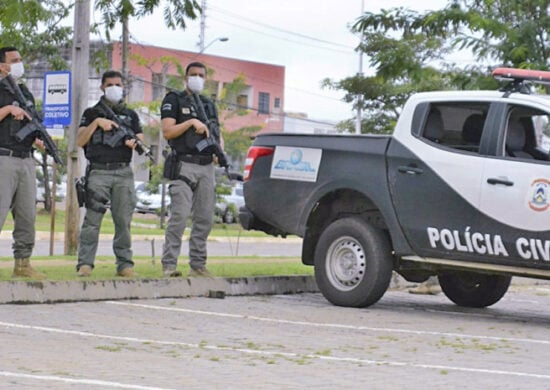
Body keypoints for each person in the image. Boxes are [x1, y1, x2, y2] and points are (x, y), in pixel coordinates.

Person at [76, 70, 143, 278]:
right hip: (99, 171)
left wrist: (135, 143)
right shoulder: (91, 113)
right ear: (103, 87)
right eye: (111, 84)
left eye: (119, 84)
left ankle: (124, 264)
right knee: (92, 220)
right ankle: (85, 263)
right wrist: (97, 124)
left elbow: (140, 140)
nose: (115, 88)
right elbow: (79, 140)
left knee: (123, 220)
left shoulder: (130, 115)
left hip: (123, 171)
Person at [160, 61, 223, 277]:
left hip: (206, 166)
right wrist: (190, 123)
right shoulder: (174, 99)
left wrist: (218, 150)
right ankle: (169, 265)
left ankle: (198, 264)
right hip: (183, 165)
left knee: (204, 218)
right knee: (179, 216)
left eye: (201, 75)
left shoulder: (208, 104)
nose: (197, 77)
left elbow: (216, 131)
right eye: (193, 74)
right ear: (186, 78)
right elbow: (167, 131)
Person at [0, 46, 46, 279]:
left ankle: (23, 264)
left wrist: (37, 137)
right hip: (3, 158)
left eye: (20, 59)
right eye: (14, 60)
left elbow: (31, 120)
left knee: (27, 215)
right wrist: (7, 108)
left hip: (26, 159)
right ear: (2, 66)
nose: (20, 63)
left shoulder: (24, 92)